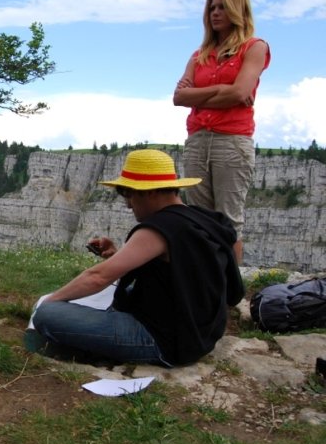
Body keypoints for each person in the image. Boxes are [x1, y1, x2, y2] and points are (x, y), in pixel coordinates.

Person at [24, 149, 244, 367]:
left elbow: (97, 277)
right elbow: (185, 271)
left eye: (128, 194)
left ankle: (81, 347)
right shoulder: (205, 219)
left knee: (49, 313)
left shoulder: (160, 228)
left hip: (163, 341)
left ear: (149, 192)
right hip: (199, 335)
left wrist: (48, 304)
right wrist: (117, 255)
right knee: (113, 294)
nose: (128, 204)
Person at [173, 0, 271, 263]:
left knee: (228, 221)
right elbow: (179, 97)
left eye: (222, 7)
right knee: (199, 219)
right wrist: (224, 93)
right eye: (212, 7)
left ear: (238, 10)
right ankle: (204, 287)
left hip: (232, 141)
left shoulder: (255, 47)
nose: (215, 13)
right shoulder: (199, 55)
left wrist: (201, 96)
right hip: (198, 140)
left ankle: (230, 294)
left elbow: (241, 92)